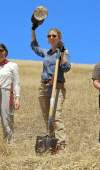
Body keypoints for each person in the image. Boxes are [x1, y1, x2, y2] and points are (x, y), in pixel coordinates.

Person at [31, 24, 71, 154]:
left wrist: (62, 51)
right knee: (46, 115)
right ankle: (52, 144)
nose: (52, 37)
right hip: (44, 86)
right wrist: (33, 29)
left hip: (57, 86)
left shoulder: (64, 51)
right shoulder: (47, 53)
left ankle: (61, 145)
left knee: (55, 116)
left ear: (59, 37)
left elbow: (67, 68)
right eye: (49, 36)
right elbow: (35, 47)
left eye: (54, 36)